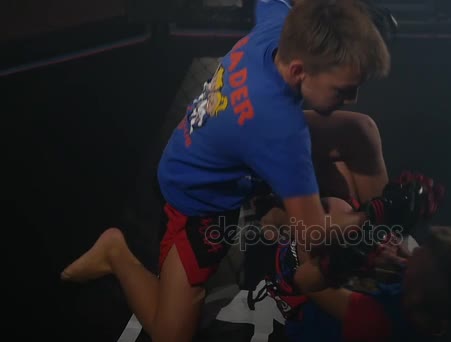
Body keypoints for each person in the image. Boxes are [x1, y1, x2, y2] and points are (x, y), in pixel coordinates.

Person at [59, 1, 404, 341]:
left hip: (225, 146)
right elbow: (313, 235)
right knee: (171, 334)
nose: (353, 98)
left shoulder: (279, 26)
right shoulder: (282, 133)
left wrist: (344, 18)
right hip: (199, 202)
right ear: (300, 71)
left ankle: (383, 246)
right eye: (343, 89)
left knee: (359, 131)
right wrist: (384, 209)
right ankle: (115, 252)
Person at [259, 196, 451, 341]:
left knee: (300, 223)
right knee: (341, 208)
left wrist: (336, 248)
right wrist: (397, 252)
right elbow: (408, 262)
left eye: (422, 254)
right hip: (352, 298)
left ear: (419, 290)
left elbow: (309, 283)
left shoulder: (374, 322)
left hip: (305, 314)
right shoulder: (430, 308)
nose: (415, 252)